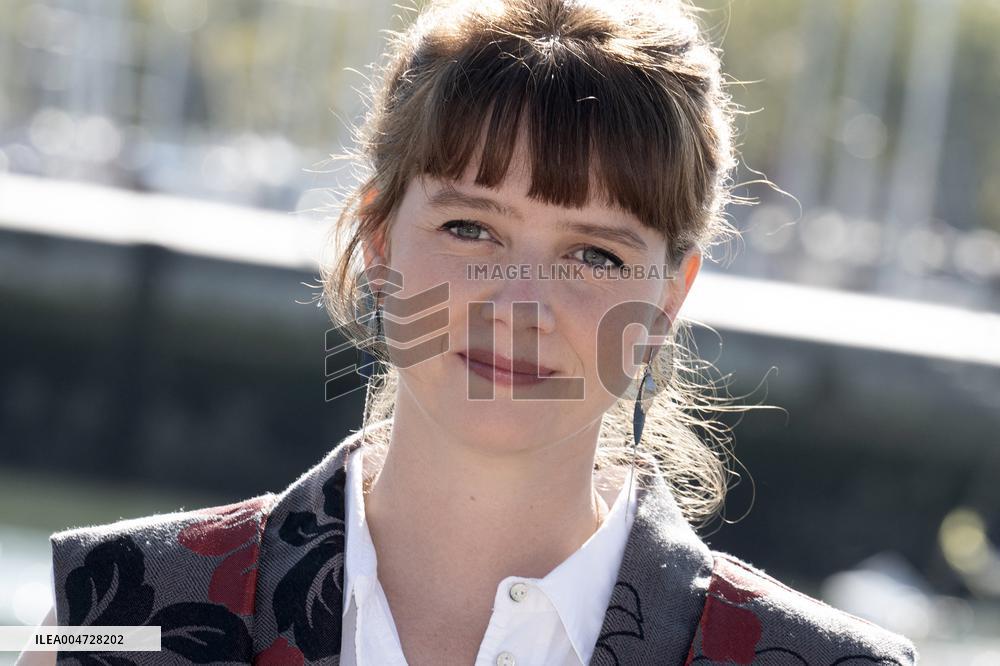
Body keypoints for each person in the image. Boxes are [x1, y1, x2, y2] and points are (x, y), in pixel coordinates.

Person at [21, 0, 920, 664]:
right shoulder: (114, 612)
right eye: (471, 228)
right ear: (377, 240)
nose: (519, 302)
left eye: (595, 255)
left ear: (671, 296)